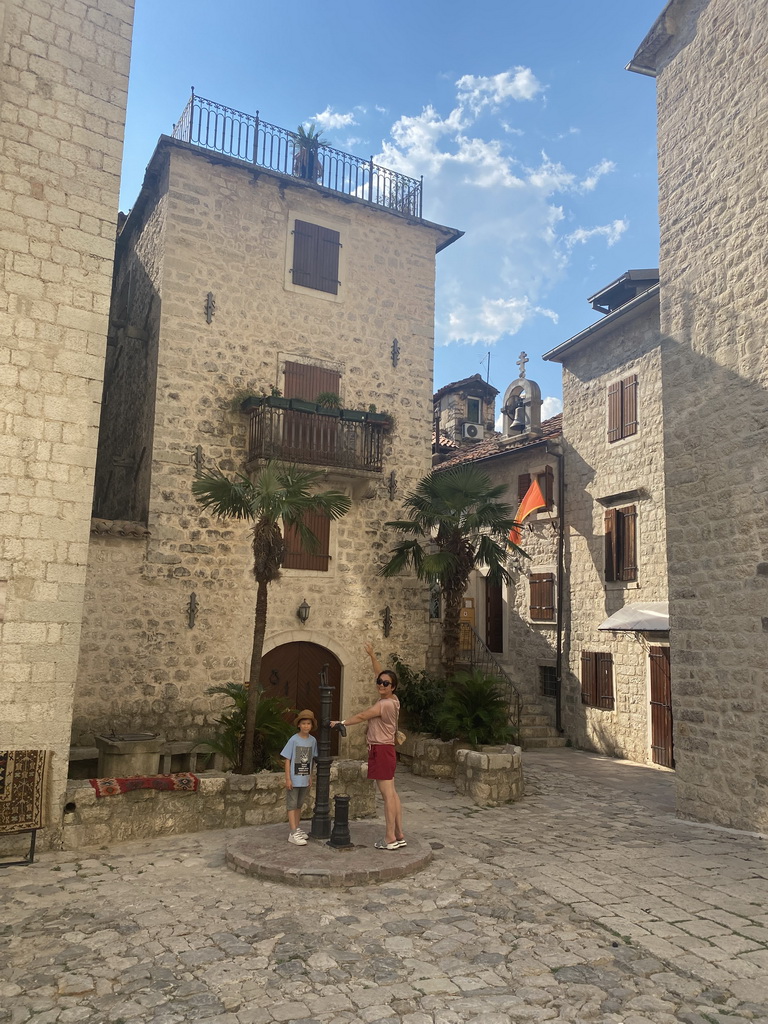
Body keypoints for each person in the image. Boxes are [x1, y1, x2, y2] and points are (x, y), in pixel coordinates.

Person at [331, 642, 405, 850]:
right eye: (379, 682)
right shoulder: (395, 700)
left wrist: (341, 723)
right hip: (386, 749)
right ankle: (399, 833)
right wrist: (372, 655)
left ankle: (390, 836)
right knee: (392, 792)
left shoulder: (384, 704)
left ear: (393, 687)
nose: (381, 685)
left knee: (387, 794)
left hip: (381, 750)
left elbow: (363, 715)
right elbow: (380, 673)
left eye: (385, 684)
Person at [280, 710, 318, 846]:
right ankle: (292, 832)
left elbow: (312, 760)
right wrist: (288, 778)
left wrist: (310, 776)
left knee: (298, 805)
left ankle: (297, 827)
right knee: (291, 804)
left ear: (311, 725)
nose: (306, 726)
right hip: (294, 779)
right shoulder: (293, 740)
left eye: (308, 723)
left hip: (304, 778)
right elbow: (287, 759)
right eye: (303, 723)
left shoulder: (313, 741)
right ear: (299, 725)